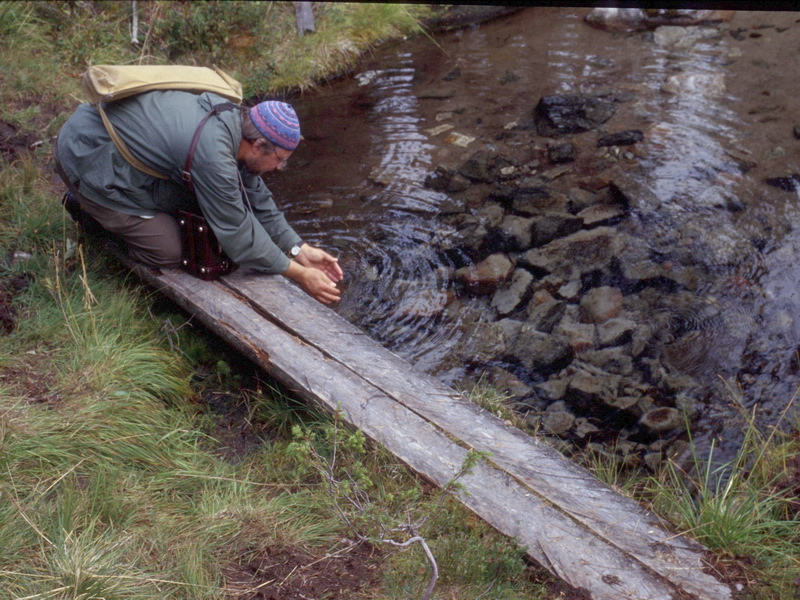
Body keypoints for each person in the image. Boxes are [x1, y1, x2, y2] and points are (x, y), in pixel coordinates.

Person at [54, 90, 343, 304]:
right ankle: (87, 211)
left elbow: (254, 193)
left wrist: (298, 249)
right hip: (87, 157)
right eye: (280, 160)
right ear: (259, 145)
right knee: (169, 250)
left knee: (201, 205)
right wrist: (299, 274)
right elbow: (240, 237)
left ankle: (122, 213)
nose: (280, 168)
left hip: (107, 141)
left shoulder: (233, 122)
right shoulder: (214, 156)